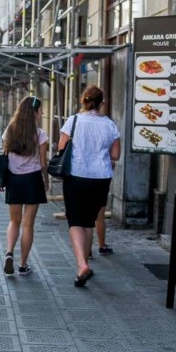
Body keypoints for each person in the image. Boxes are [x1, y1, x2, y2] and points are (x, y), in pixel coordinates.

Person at [57, 85, 120, 287]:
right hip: (101, 178)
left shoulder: (73, 120)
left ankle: (82, 264)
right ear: (102, 103)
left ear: (83, 100)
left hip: (76, 175)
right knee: (89, 222)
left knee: (75, 221)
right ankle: (82, 270)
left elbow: (61, 146)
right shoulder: (110, 125)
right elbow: (115, 155)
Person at [0, 96, 48, 277]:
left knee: (14, 221)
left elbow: (4, 155)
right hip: (33, 180)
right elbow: (43, 163)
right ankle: (23, 264)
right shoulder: (40, 134)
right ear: (34, 112)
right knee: (28, 225)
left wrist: (3, 179)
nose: (42, 113)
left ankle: (9, 252)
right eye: (40, 110)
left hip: (14, 179)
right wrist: (46, 181)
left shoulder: (10, 131)